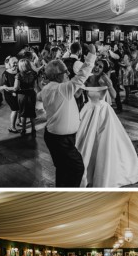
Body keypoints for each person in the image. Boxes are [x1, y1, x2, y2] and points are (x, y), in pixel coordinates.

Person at [75, 59, 138, 186]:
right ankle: (86, 166)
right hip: (88, 110)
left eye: (100, 67)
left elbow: (113, 95)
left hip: (102, 112)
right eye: (96, 64)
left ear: (104, 70)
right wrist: (79, 84)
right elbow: (77, 94)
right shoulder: (88, 78)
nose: (96, 67)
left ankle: (102, 169)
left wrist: (110, 84)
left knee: (102, 141)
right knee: (85, 139)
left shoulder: (104, 79)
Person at [38, 45, 96, 187]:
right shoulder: (62, 89)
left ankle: (61, 190)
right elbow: (82, 75)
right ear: (58, 76)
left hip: (54, 136)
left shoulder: (48, 89)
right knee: (77, 168)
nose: (68, 75)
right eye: (66, 72)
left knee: (63, 168)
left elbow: (39, 96)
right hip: (61, 140)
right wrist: (92, 55)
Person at [0, 56, 21, 133]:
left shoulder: (19, 71)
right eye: (14, 63)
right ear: (9, 64)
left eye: (17, 62)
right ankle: (12, 127)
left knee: (19, 109)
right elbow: (4, 86)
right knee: (15, 110)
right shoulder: (5, 73)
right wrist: (13, 92)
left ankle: (19, 121)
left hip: (18, 93)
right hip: (10, 95)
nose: (16, 64)